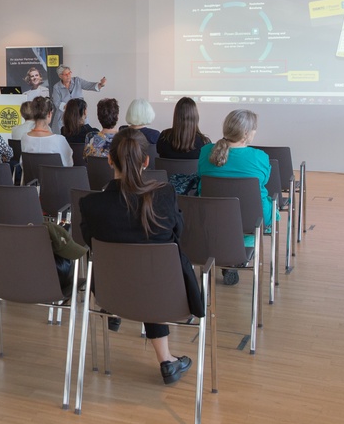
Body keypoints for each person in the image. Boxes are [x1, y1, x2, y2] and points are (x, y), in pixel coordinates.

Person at [79, 129, 204, 385]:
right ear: (146, 161)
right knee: (150, 269)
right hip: (164, 293)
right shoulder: (164, 195)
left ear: (109, 160)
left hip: (110, 293)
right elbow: (178, 234)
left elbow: (86, 241)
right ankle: (166, 360)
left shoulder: (91, 205)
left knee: (137, 268)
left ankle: (158, 351)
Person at [197, 109, 273, 286]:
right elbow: (264, 182)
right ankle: (237, 254)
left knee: (227, 216)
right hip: (251, 218)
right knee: (257, 215)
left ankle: (224, 253)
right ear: (246, 134)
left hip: (211, 217)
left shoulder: (206, 152)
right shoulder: (259, 157)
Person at [50, 65, 106, 135]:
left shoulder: (77, 81)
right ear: (60, 76)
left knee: (84, 134)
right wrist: (70, 107)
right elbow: (57, 103)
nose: (68, 75)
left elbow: (89, 85)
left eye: (69, 73)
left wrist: (101, 84)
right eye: (66, 74)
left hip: (80, 114)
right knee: (63, 134)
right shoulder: (56, 87)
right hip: (64, 115)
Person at [20, 96, 72, 167]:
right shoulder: (59, 140)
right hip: (54, 177)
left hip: (31, 178)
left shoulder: (24, 138)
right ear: (49, 114)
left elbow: (22, 164)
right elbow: (68, 164)